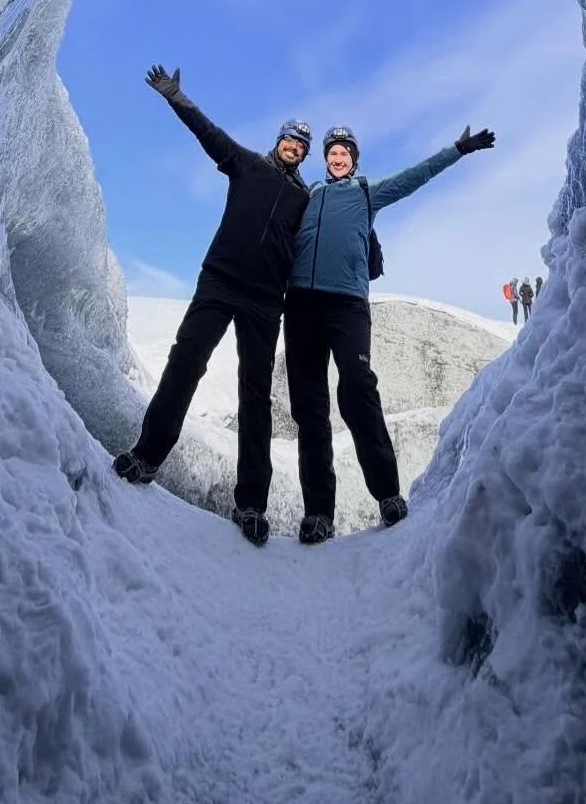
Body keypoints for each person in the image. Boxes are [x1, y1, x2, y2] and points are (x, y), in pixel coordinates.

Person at [112, 66, 312, 548]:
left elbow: (326, 240)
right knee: (184, 364)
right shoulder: (246, 164)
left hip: (266, 302)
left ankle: (251, 507)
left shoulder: (306, 199)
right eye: (291, 140)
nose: (295, 148)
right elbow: (208, 132)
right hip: (219, 281)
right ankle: (147, 456)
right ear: (279, 141)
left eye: (302, 146)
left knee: (256, 399)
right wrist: (175, 97)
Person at [284, 120, 495, 544]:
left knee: (358, 388)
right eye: (331, 153)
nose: (337, 158)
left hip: (347, 306)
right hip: (302, 306)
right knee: (309, 408)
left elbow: (413, 177)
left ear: (354, 159)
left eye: (344, 152)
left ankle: (387, 495)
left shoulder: (366, 193)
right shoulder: (309, 195)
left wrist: (458, 150)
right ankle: (319, 514)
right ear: (324, 160)